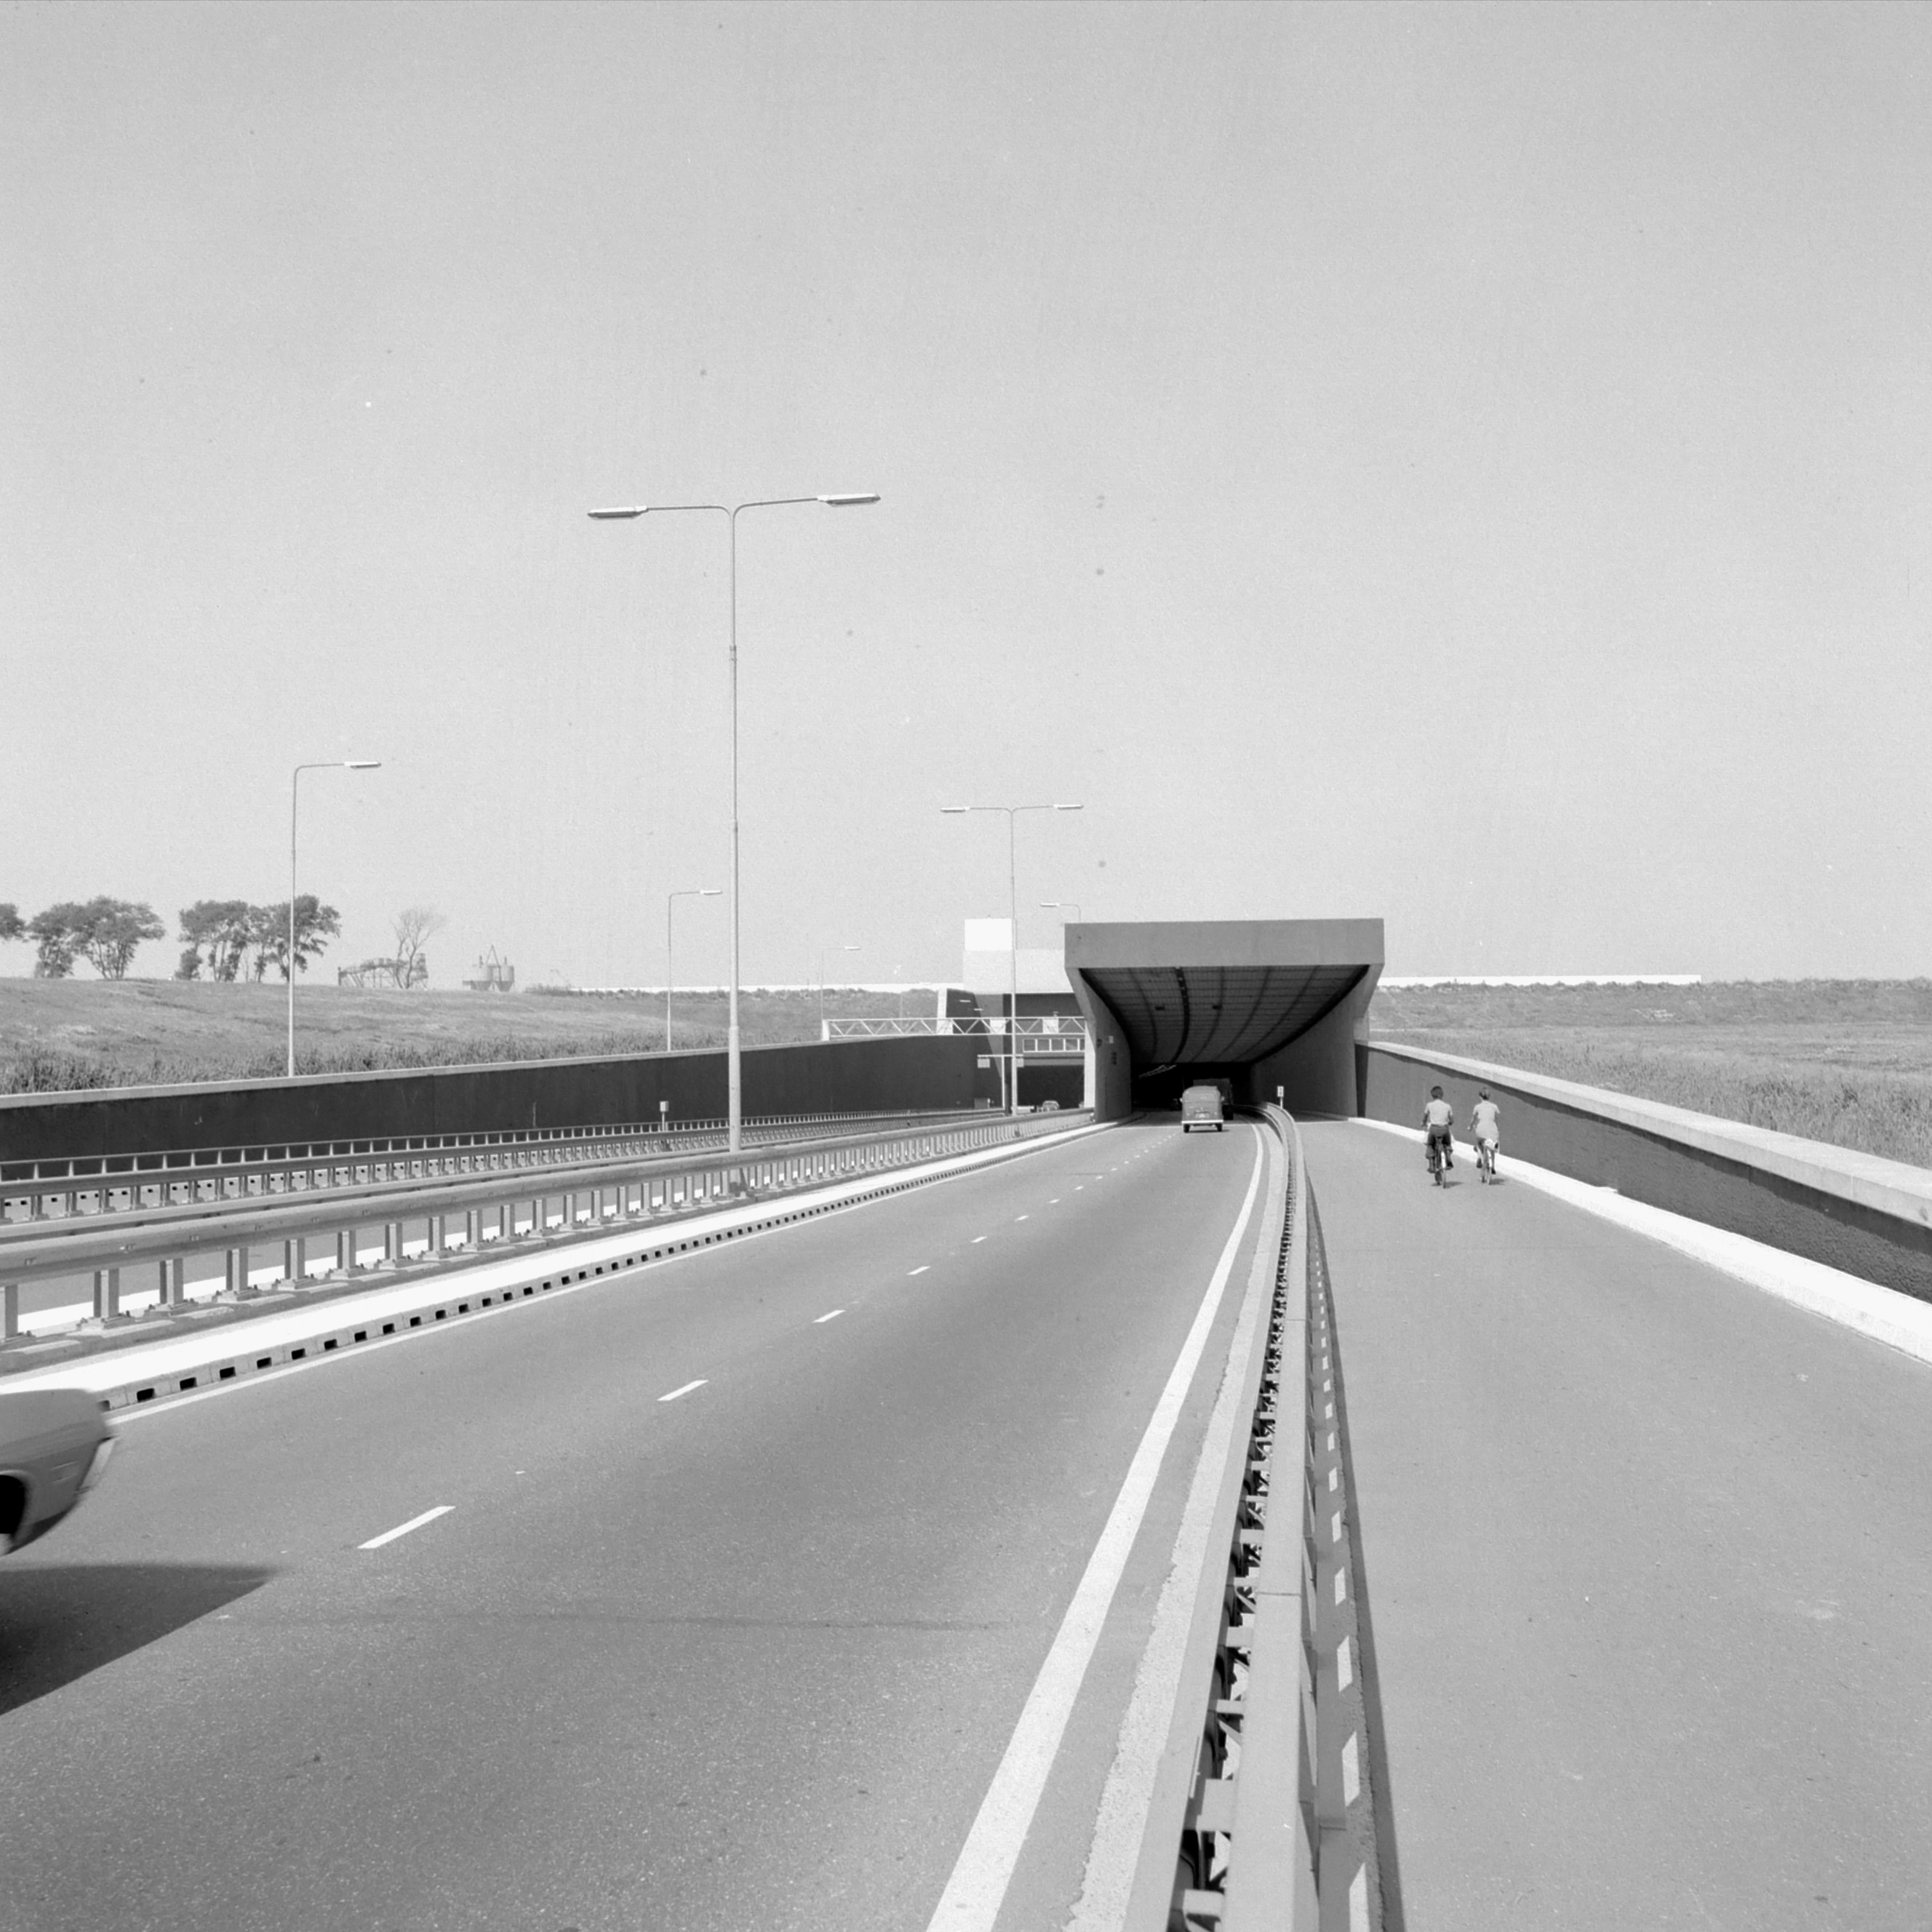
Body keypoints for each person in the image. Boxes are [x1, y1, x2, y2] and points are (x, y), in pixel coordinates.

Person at [1471, 1089, 1501, 1181]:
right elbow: (1497, 1119)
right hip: (1493, 1132)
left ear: (1480, 1097)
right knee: (1492, 1147)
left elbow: (1473, 1119)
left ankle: (1479, 1158)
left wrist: (1470, 1126)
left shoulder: (1477, 1107)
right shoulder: (1495, 1107)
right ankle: (1493, 1166)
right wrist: (1497, 1129)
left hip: (1481, 1131)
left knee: (1479, 1143)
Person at [1421, 1085, 1454, 1173]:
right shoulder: (1447, 1106)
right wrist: (1450, 1123)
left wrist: (1423, 1123)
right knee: (1447, 1143)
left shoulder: (1429, 1105)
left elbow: (1425, 1117)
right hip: (1444, 1129)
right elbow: (1452, 1120)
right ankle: (1448, 1156)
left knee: (1430, 1144)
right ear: (1442, 1095)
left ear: (1432, 1096)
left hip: (1434, 1129)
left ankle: (1431, 1164)